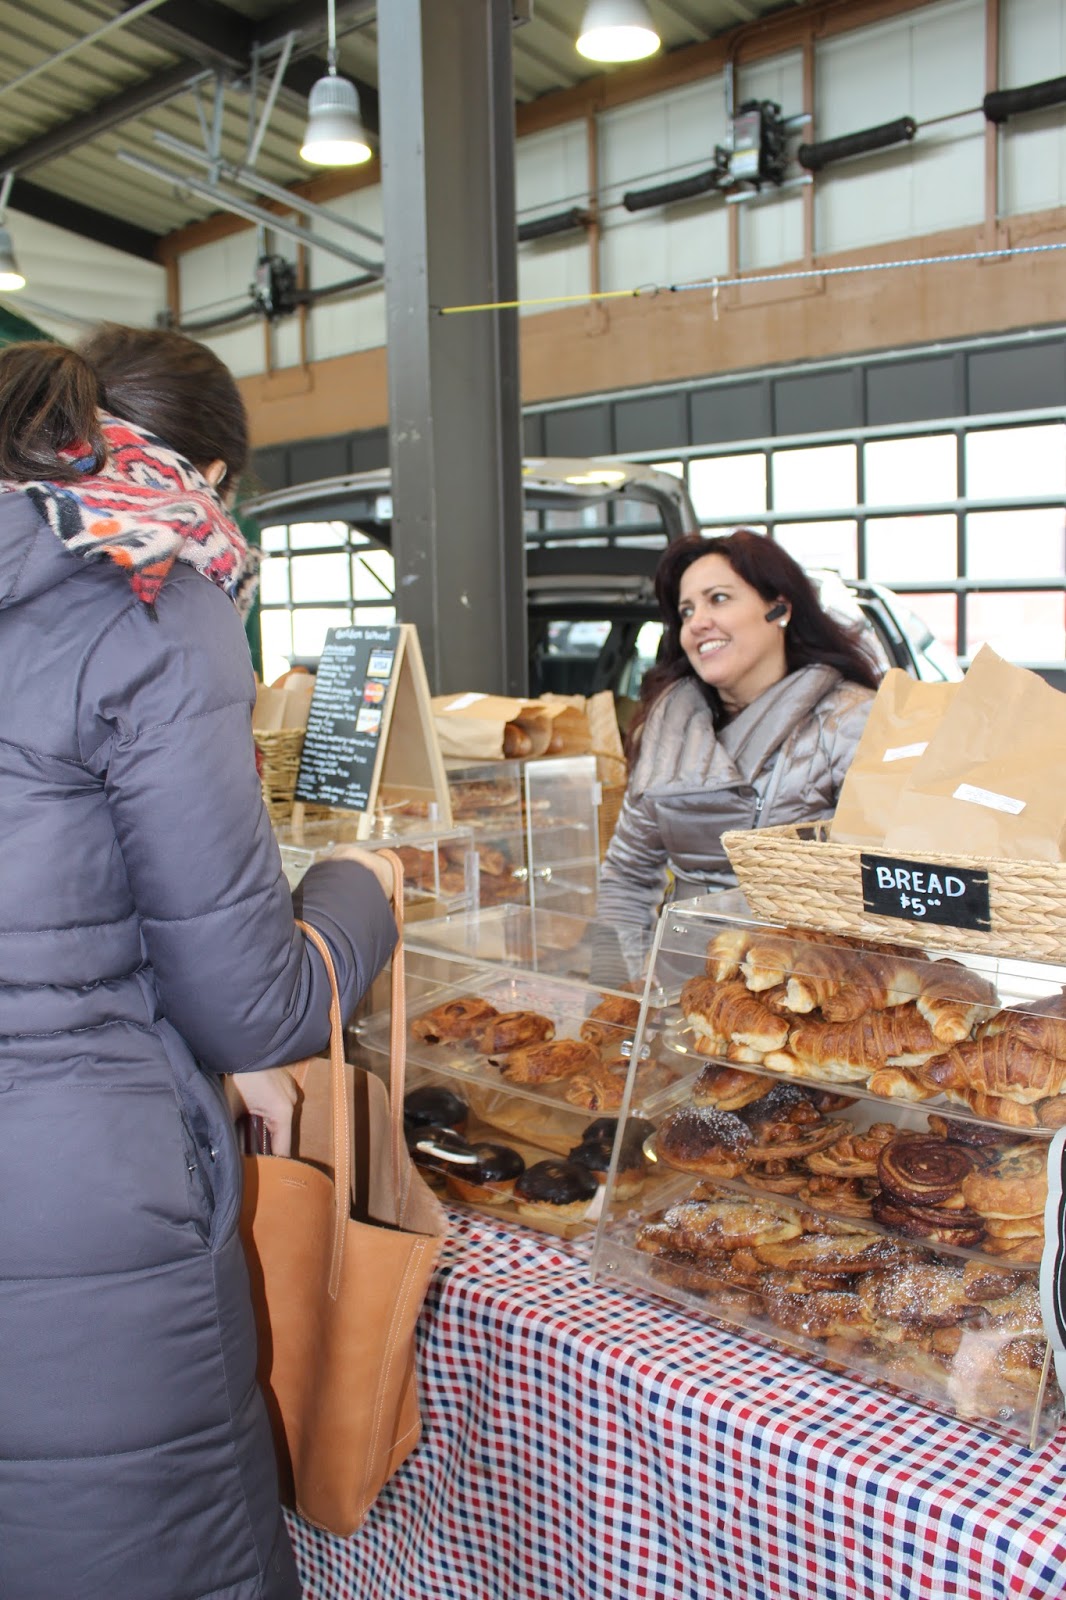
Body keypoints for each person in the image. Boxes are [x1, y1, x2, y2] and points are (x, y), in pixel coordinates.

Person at [0, 329, 398, 1600]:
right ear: (210, 476)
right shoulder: (149, 589)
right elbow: (255, 1000)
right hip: (80, 1196)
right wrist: (360, 891)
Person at [597, 530, 880, 950]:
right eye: (686, 610)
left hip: (803, 975)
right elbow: (627, 876)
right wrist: (622, 981)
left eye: (718, 599)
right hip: (683, 976)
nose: (697, 622)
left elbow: (879, 886)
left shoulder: (851, 720)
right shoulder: (668, 726)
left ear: (779, 608)